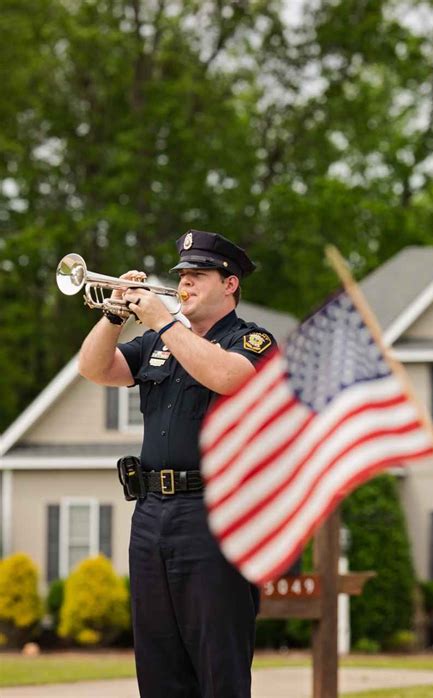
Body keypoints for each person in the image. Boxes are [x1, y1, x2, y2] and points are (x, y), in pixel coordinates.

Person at [78, 230, 275, 698]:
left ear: (229, 285)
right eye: (182, 276)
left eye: (198, 276)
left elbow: (226, 377)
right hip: (151, 514)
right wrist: (114, 313)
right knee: (158, 659)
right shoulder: (154, 343)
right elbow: (92, 368)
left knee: (217, 662)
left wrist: (166, 322)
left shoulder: (252, 341)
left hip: (215, 515)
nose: (185, 286)